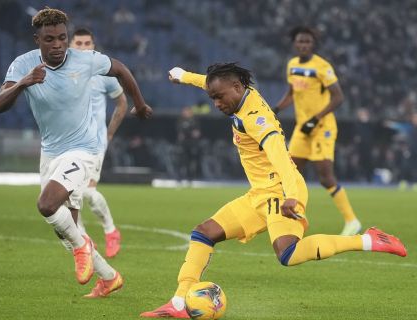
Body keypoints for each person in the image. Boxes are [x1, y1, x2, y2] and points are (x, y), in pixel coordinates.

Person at [140, 63, 407, 318]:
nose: (216, 104)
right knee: (203, 233)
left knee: (288, 254)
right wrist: (185, 76)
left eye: (219, 98)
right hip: (259, 193)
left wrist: (294, 199)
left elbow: (282, 160)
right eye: (213, 98)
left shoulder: (257, 121)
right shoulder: (241, 92)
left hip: (280, 192)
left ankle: (368, 240)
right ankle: (178, 302)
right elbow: (210, 83)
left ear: (236, 87)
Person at [0, 7, 152, 298]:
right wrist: (24, 82)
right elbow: (0, 104)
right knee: (67, 230)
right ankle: (108, 277)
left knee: (47, 205)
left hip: (83, 150)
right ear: (37, 39)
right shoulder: (23, 65)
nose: (57, 45)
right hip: (50, 153)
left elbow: (120, 69)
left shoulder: (85, 60)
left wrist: (139, 104)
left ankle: (84, 248)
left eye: (62, 38)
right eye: (50, 39)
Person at [273, 26, 362, 236]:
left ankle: (352, 221)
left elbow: (338, 97)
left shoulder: (322, 66)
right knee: (293, 172)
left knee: (325, 176)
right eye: (300, 41)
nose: (304, 45)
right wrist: (275, 109)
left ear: (313, 44)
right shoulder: (292, 65)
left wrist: (316, 119)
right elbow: (292, 93)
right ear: (294, 44)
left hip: (322, 127)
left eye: (307, 42)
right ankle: (296, 217)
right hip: (302, 128)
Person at [68, 27, 127, 258]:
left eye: (87, 43)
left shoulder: (103, 74)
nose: (83, 47)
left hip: (94, 142)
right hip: (69, 141)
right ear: (71, 45)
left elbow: (122, 103)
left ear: (93, 46)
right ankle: (84, 244)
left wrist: (109, 133)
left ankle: (111, 231)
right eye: (79, 43)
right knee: (69, 196)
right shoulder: (63, 72)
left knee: (88, 193)